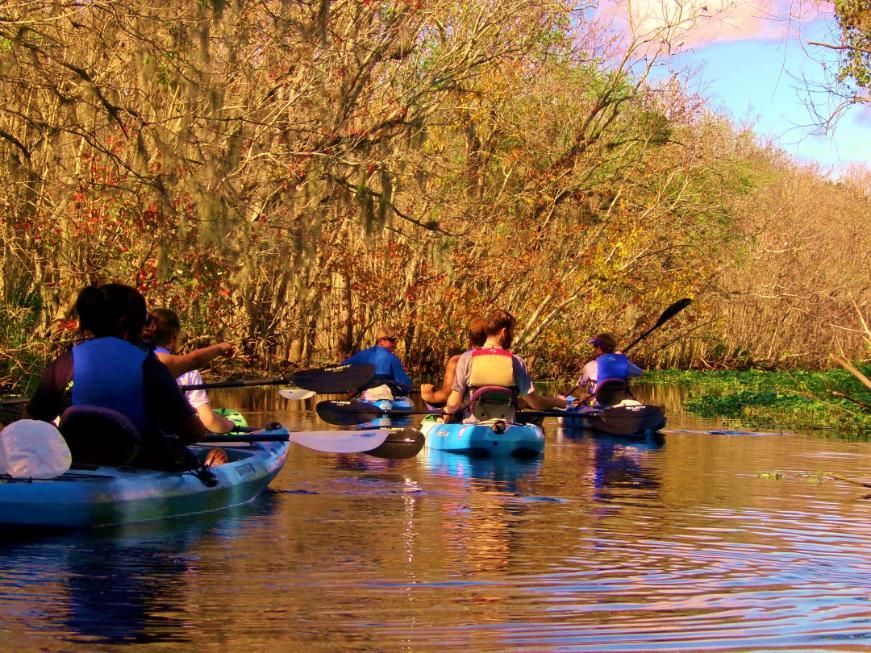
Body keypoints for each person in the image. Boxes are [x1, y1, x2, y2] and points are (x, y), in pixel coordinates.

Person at [24, 283, 210, 471]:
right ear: (125, 324)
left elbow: (30, 423)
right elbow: (192, 432)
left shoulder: (64, 363)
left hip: (75, 467)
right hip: (141, 469)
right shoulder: (149, 366)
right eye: (143, 321)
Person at [443, 309, 565, 420]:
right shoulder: (516, 361)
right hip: (506, 427)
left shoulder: (466, 358)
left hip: (473, 427)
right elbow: (536, 403)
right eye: (512, 331)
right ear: (504, 332)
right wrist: (556, 402)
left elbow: (453, 404)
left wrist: (448, 410)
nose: (513, 336)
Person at [146, 308, 237, 435]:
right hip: (172, 443)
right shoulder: (188, 373)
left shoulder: (134, 359)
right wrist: (231, 424)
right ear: (174, 336)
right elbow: (209, 421)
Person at [420, 317, 486, 406]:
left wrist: (429, 396)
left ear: (469, 339)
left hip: (469, 413)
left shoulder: (457, 361)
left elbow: (446, 395)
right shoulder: (507, 358)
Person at [573, 333, 644, 404]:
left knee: (583, 395)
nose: (593, 350)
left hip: (599, 402)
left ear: (599, 348)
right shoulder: (622, 362)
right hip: (620, 401)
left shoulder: (589, 366)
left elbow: (581, 384)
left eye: (595, 347)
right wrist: (622, 359)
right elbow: (640, 373)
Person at [343, 325, 413, 396]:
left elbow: (342, 368)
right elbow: (405, 383)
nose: (394, 343)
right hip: (383, 398)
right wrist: (409, 385)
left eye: (394, 340)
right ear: (381, 341)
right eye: (391, 340)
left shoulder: (361, 355)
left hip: (363, 397)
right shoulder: (392, 359)